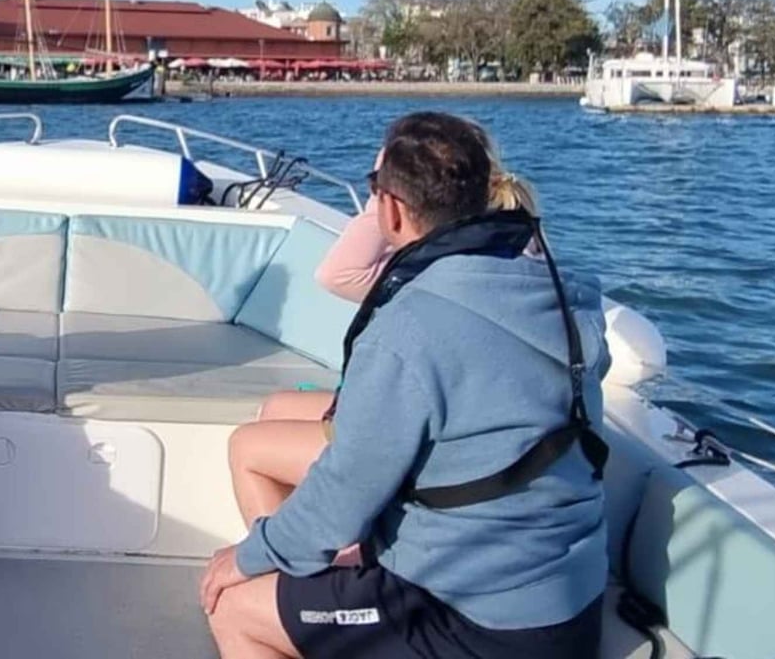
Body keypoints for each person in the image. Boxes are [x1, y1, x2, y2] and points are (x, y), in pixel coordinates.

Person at [203, 111, 609, 659]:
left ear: (389, 207)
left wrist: (251, 555)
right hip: (572, 609)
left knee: (235, 605)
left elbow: (342, 497)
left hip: (467, 618)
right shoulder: (565, 295)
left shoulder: (408, 324)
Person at [227, 145, 541, 530]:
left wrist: (386, 199)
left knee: (246, 445)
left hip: (437, 444)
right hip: (468, 428)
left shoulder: (426, 286)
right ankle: (314, 552)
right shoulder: (518, 261)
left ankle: (288, 568)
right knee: (276, 408)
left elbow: (338, 276)